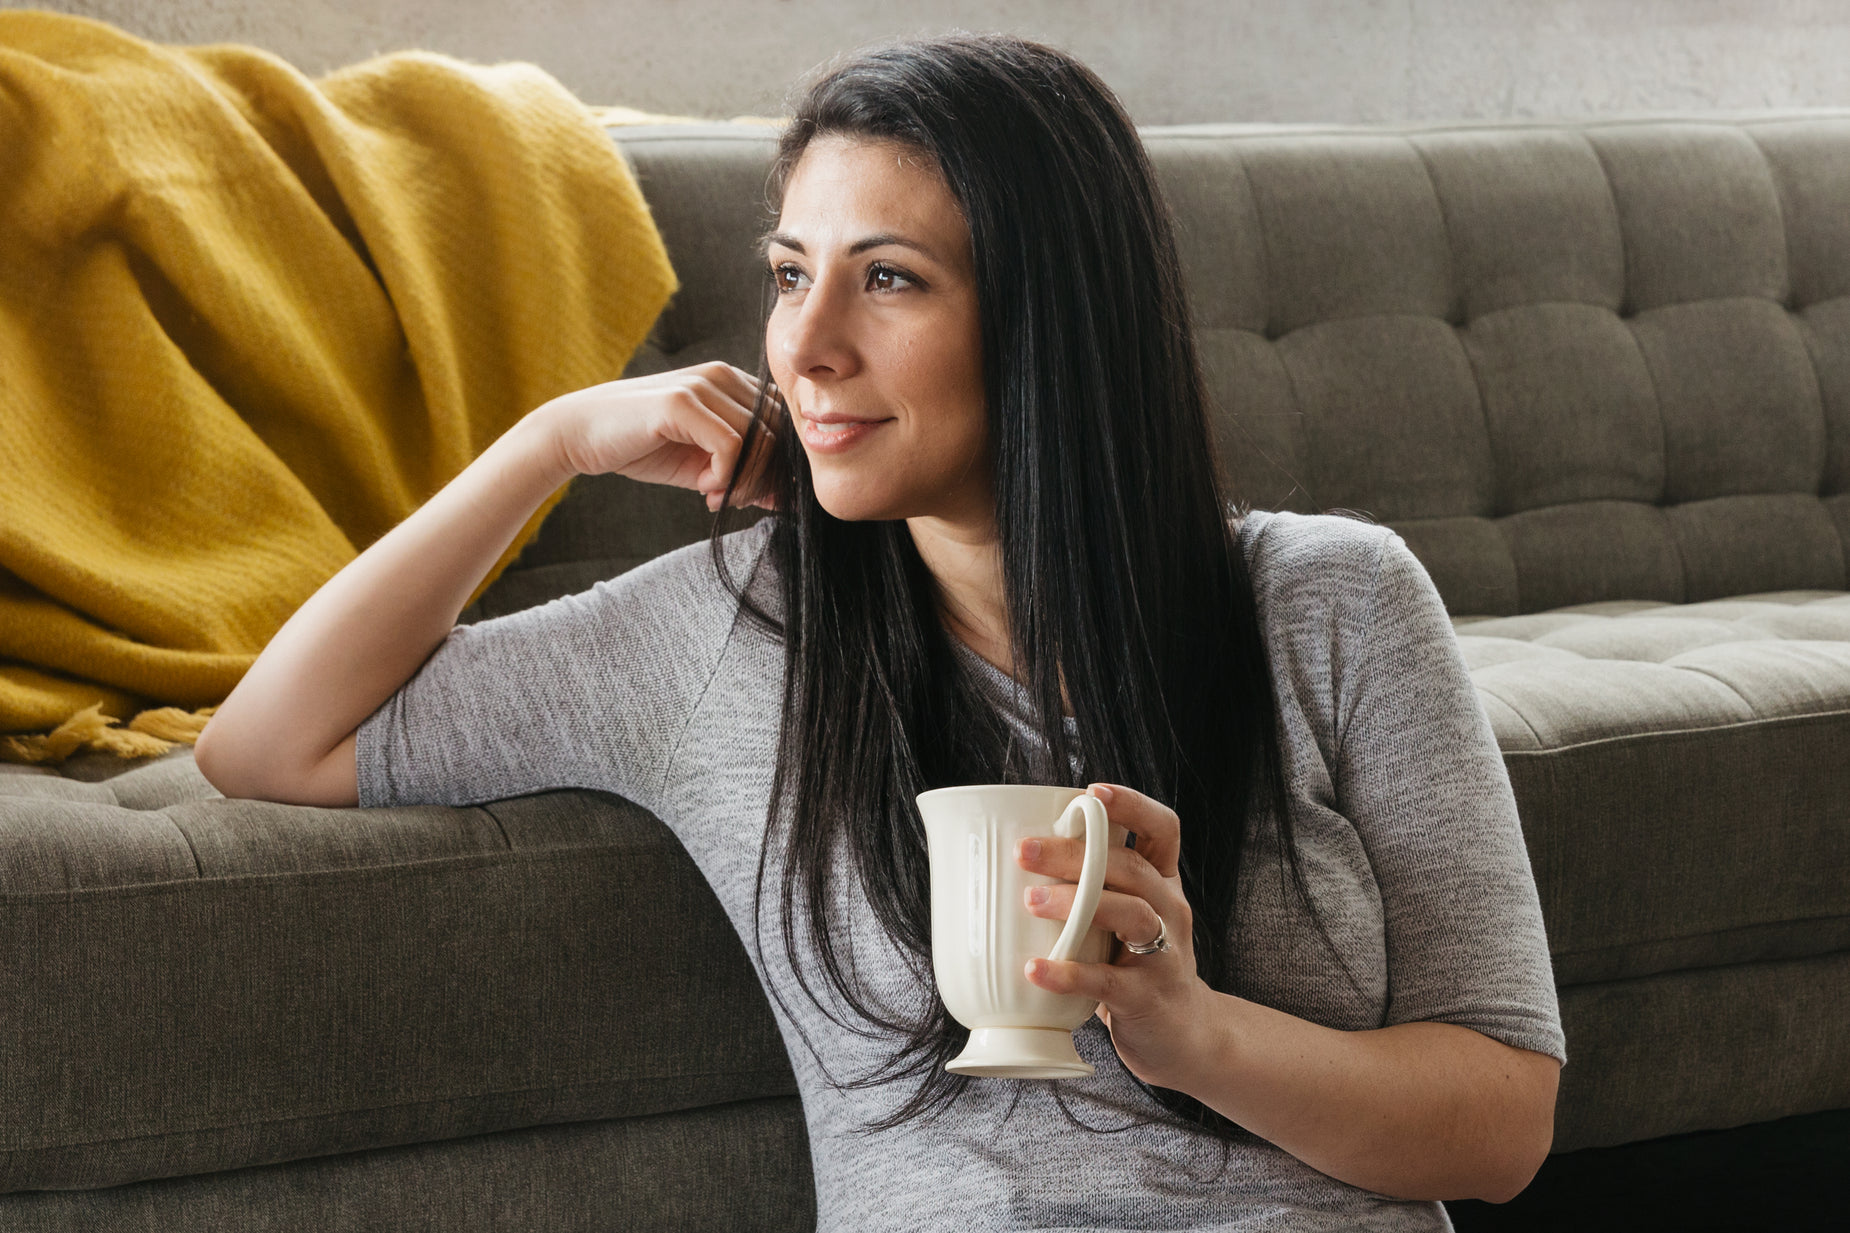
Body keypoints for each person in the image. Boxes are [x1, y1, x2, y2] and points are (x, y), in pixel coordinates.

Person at [196, 33, 1564, 1231]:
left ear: (1045, 318)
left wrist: (1190, 1033)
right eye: (792, 275)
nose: (808, 346)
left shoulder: (1330, 600)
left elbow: (1499, 1126)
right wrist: (549, 442)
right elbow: (268, 741)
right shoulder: (725, 632)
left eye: (890, 280)